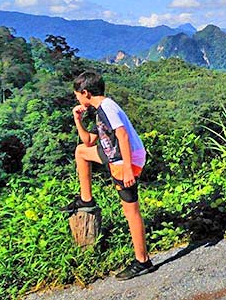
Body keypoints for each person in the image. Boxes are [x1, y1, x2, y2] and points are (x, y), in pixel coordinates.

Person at [60, 70, 155, 280]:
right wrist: (78, 119)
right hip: (115, 154)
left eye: (77, 94)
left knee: (131, 211)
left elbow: (121, 134)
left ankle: (143, 261)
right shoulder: (100, 109)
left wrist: (128, 169)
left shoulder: (106, 107)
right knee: (81, 152)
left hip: (125, 159)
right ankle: (85, 199)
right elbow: (88, 142)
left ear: (85, 93)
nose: (76, 98)